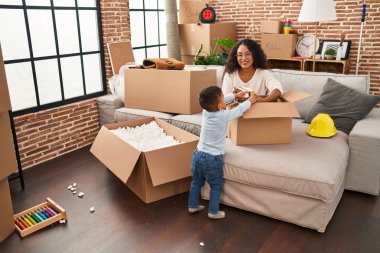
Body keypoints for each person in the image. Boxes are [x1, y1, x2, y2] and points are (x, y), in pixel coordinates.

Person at [188, 86, 256, 219]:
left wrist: (235, 96)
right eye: (224, 97)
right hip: (212, 159)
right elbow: (240, 110)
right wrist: (250, 101)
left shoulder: (205, 111)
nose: (226, 98)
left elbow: (221, 103)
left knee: (196, 183)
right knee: (215, 185)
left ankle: (192, 205)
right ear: (220, 105)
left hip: (197, 155)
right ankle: (213, 212)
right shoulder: (223, 115)